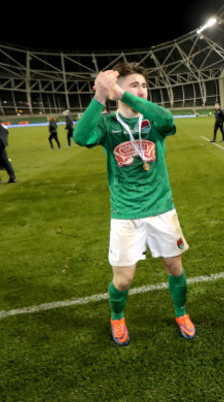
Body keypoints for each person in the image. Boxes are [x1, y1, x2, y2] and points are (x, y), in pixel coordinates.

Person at [73, 62, 195, 346]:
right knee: (124, 279)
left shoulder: (153, 121)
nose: (141, 89)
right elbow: (80, 137)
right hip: (125, 212)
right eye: (134, 85)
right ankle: (117, 317)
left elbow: (166, 117)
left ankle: (181, 312)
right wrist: (101, 97)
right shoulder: (107, 124)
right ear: (118, 90)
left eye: (144, 85)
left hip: (162, 208)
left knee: (174, 266)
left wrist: (123, 94)